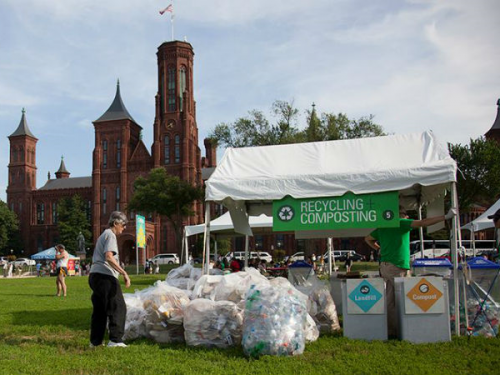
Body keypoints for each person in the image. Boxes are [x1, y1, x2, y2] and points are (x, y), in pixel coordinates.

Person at [365, 206, 456, 338]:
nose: (408, 218)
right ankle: (404, 330)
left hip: (385, 266)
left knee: (390, 300)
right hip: (397, 266)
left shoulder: (383, 226)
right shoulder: (401, 222)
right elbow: (423, 222)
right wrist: (445, 217)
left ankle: (392, 331)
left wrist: (378, 249)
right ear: (402, 215)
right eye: (406, 216)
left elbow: (367, 238)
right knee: (403, 299)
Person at [89, 211, 131, 348]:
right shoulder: (110, 235)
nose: (124, 228)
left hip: (95, 275)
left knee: (100, 310)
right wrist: (124, 273)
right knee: (118, 306)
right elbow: (109, 256)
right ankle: (115, 340)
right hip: (105, 276)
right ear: (115, 223)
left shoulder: (104, 235)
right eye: (123, 225)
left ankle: (95, 342)